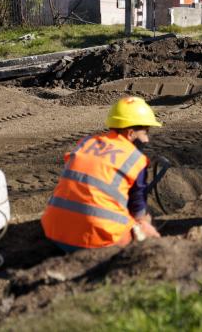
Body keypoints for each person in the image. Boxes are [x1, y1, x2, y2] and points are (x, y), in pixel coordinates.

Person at [41, 96, 162, 253]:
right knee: (144, 236)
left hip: (55, 231)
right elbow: (138, 209)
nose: (147, 139)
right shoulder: (135, 159)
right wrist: (146, 225)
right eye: (145, 132)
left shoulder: (87, 143)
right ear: (131, 133)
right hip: (98, 239)